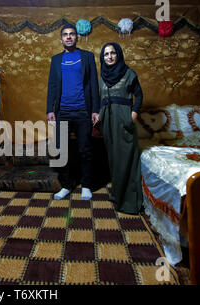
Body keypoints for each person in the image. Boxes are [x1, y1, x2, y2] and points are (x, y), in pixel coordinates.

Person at [46, 24, 100, 200]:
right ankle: (67, 185)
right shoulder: (56, 60)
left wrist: (95, 110)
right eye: (65, 35)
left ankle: (86, 185)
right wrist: (49, 110)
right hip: (62, 112)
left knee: (85, 149)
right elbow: (52, 86)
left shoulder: (87, 56)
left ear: (76, 37)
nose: (69, 37)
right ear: (61, 39)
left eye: (72, 34)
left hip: (83, 111)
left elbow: (93, 84)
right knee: (62, 150)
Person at [98, 42, 143, 214]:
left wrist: (134, 113)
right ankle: (118, 195)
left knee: (126, 158)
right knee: (114, 158)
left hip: (124, 117)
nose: (109, 57)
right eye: (106, 54)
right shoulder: (102, 76)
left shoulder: (128, 73)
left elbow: (138, 94)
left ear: (118, 55)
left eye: (113, 53)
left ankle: (130, 202)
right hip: (107, 120)